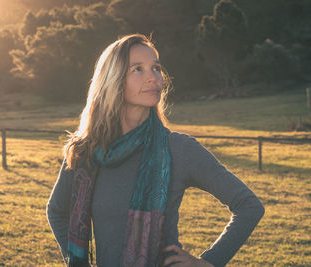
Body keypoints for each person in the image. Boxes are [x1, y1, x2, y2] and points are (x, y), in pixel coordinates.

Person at [46, 33, 265, 267]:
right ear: (113, 80)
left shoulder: (179, 149)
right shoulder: (86, 152)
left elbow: (249, 206)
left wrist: (209, 262)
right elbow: (57, 210)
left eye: (156, 68)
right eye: (138, 69)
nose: (154, 78)